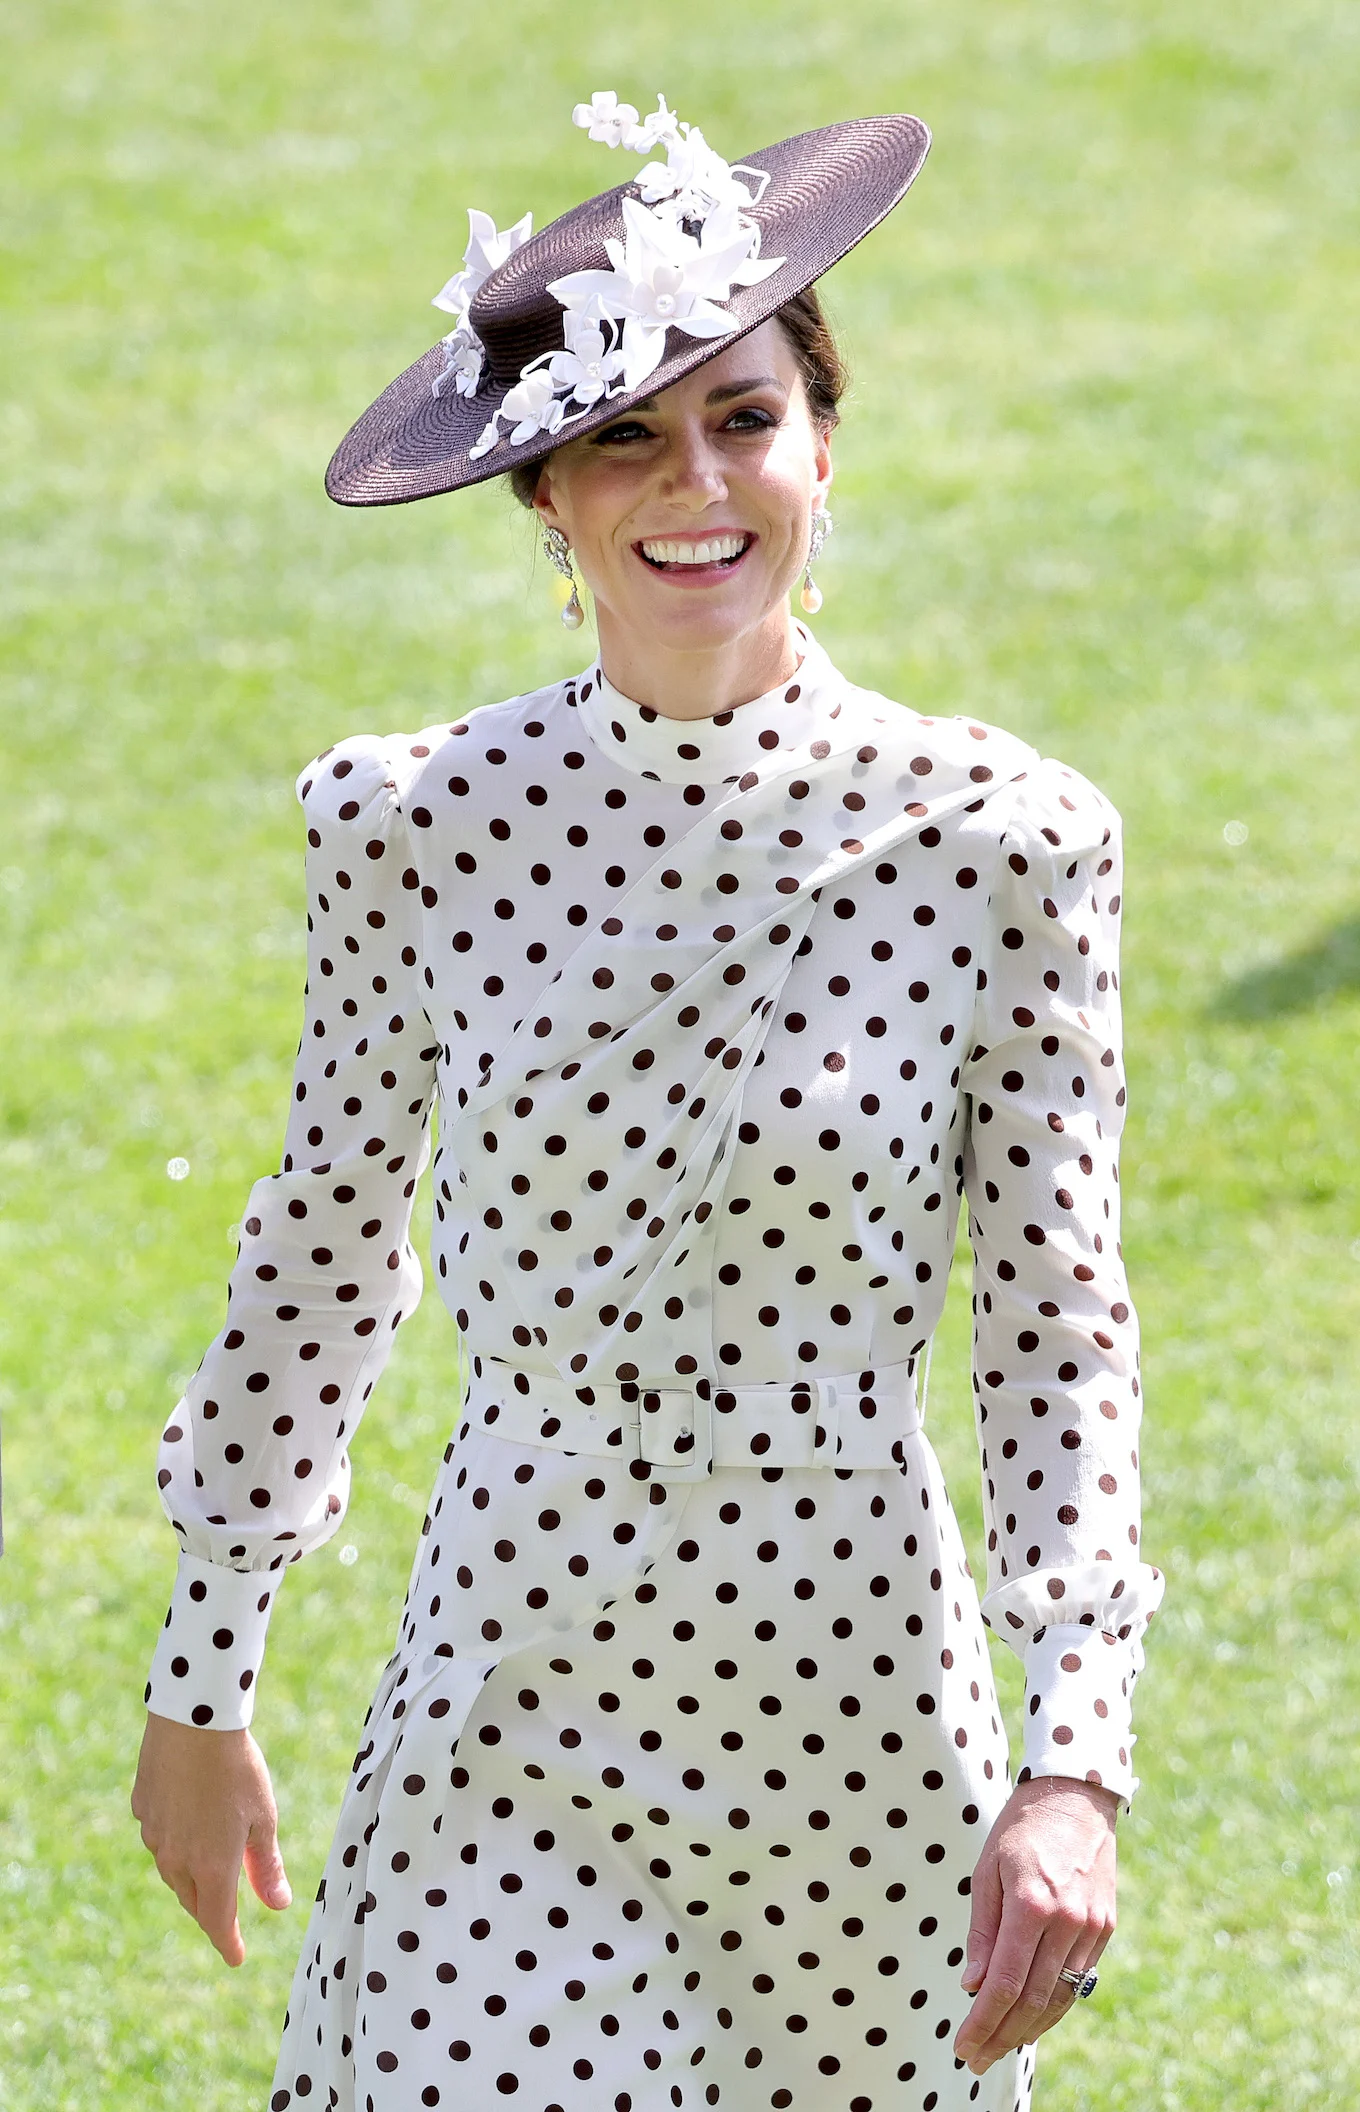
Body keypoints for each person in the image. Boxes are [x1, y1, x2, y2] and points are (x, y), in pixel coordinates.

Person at [131, 92, 1166, 2112]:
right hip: (511, 1698)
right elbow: (325, 1256)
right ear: (541, 497)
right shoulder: (411, 821)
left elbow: (1057, 1328)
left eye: (743, 420)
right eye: (623, 434)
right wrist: (206, 1667)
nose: (692, 484)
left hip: (860, 1733)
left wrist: (1071, 1761)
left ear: (822, 444)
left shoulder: (1005, 838)